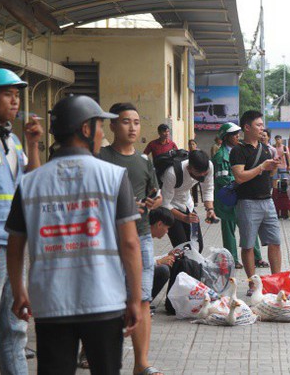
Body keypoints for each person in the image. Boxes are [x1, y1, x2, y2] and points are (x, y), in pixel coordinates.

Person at [5, 95, 142, 375]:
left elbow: (16, 243)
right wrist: (134, 298)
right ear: (86, 129)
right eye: (100, 126)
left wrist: (19, 292)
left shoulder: (30, 182)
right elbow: (129, 243)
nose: (103, 133)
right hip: (104, 300)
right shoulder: (114, 176)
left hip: (51, 302)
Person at [98, 102, 163, 375]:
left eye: (136, 122)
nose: (132, 127)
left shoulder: (144, 162)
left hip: (142, 238)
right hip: (105, 241)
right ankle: (98, 355)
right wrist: (120, 207)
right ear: (112, 125)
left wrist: (152, 202)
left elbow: (157, 195)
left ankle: (141, 364)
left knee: (143, 299)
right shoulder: (99, 158)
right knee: (106, 301)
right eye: (126, 121)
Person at [0, 68, 42, 374]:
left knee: (15, 329)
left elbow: (32, 183)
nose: (15, 100)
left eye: (17, 95)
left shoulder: (12, 140)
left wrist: (33, 144)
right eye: (7, 94)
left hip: (11, 246)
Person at [230, 110, 282, 295]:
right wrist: (261, 167)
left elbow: (270, 175)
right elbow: (240, 176)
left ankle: (276, 283)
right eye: (258, 125)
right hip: (247, 203)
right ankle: (253, 285)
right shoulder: (238, 150)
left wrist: (273, 168)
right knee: (248, 245)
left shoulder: (267, 148)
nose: (262, 128)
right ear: (247, 127)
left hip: (267, 202)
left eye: (262, 125)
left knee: (275, 242)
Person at [212, 123, 269, 270]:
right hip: (229, 199)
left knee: (251, 227)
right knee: (229, 230)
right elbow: (221, 179)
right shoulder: (220, 156)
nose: (238, 136)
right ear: (226, 137)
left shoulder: (243, 149)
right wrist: (240, 180)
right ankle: (233, 260)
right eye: (234, 134)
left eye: (238, 133)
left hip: (245, 197)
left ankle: (257, 257)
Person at [160, 149, 215, 253]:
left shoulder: (209, 166)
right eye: (198, 173)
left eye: (205, 173)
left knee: (198, 247)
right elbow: (164, 204)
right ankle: (180, 269)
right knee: (182, 248)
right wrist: (184, 217)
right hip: (172, 208)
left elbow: (208, 188)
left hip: (187, 205)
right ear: (189, 168)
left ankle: (192, 268)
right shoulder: (172, 173)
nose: (202, 176)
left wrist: (210, 209)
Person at [149, 208, 175, 302]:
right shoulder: (141, 238)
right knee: (163, 270)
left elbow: (146, 259)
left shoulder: (147, 236)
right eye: (167, 228)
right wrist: (159, 261)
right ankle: (142, 304)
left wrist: (166, 255)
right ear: (159, 224)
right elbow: (136, 264)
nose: (167, 232)